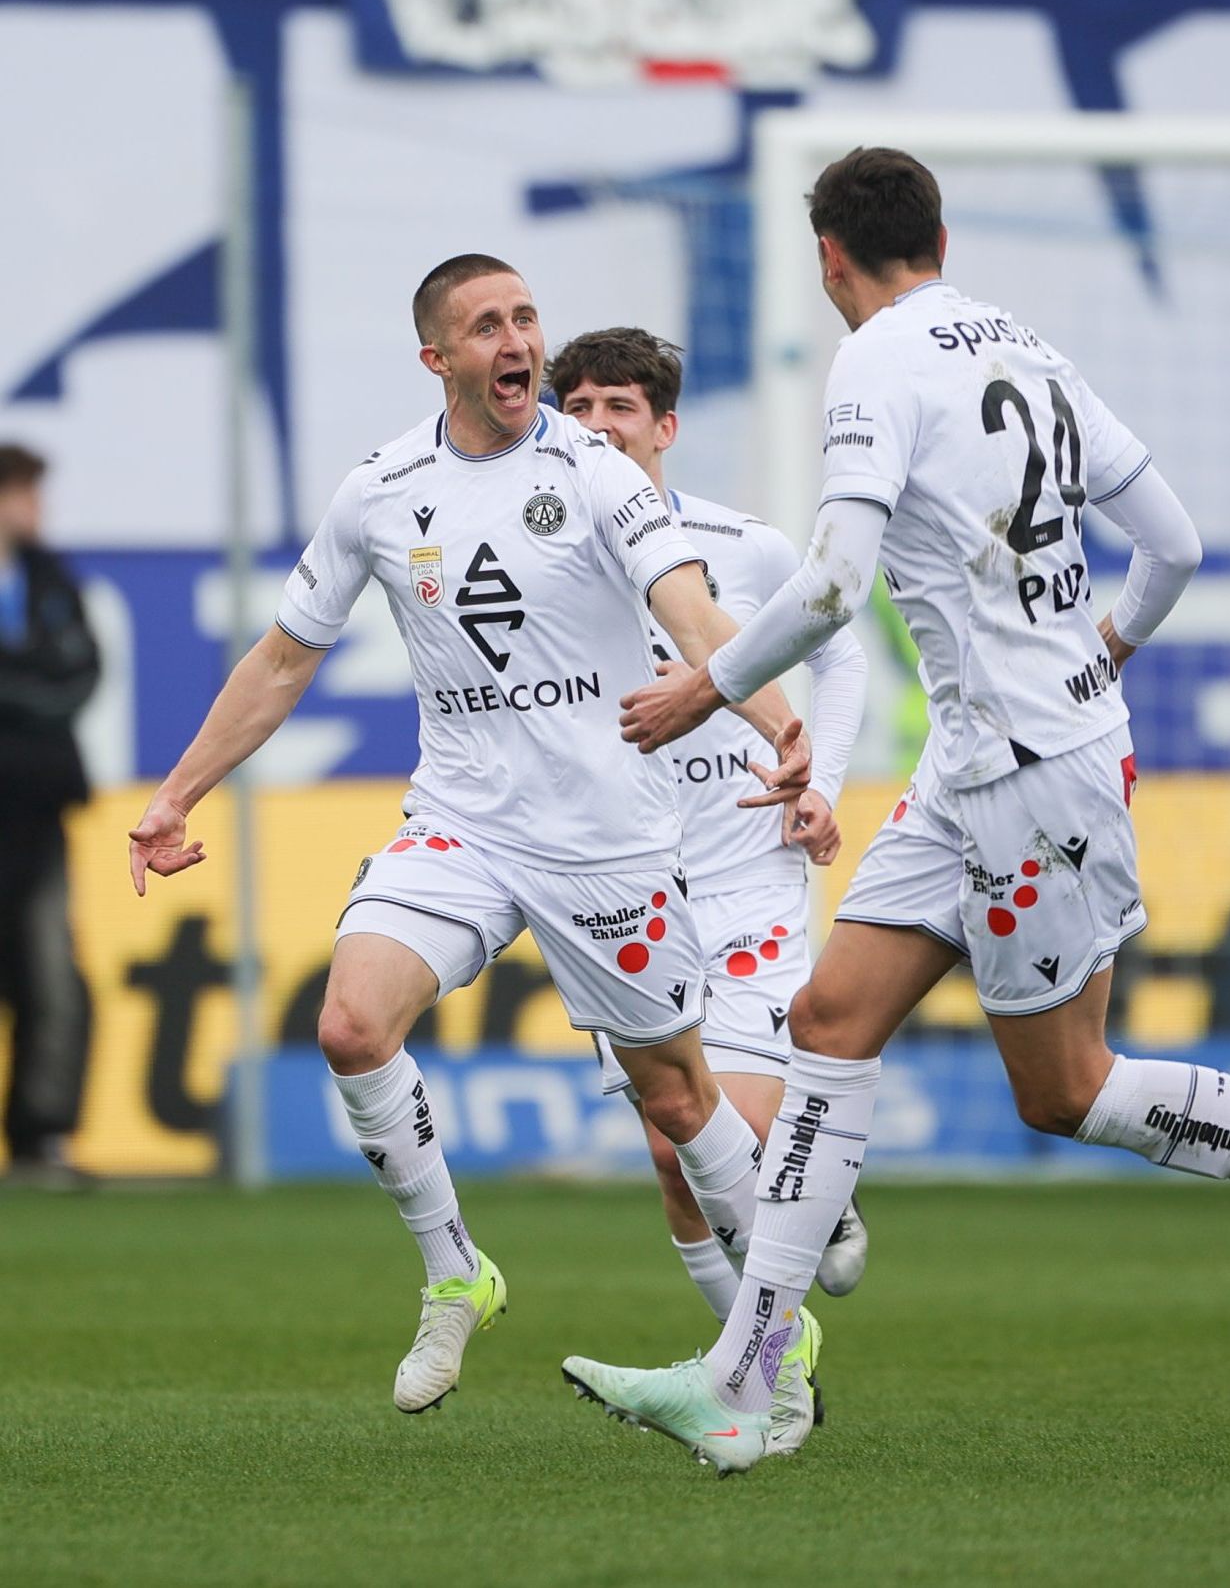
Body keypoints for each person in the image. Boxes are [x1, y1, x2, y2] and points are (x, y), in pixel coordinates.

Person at [562, 148, 1230, 1473]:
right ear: (937, 232)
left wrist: (704, 683)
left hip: (1027, 773)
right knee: (829, 1021)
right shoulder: (1028, 346)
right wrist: (1096, 647)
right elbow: (1171, 542)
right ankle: (746, 1375)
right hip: (984, 755)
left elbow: (830, 588)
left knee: (1064, 1088)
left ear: (828, 258)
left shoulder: (875, 360)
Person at [128, 254, 819, 1420]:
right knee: (350, 1023)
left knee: (678, 1103)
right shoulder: (382, 489)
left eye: (527, 318)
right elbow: (286, 657)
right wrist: (176, 794)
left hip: (603, 838)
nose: (519, 341)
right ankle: (458, 1272)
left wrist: (780, 722)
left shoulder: (595, 471)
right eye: (488, 325)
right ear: (437, 358)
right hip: (460, 821)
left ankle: (774, 1334)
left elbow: (693, 609)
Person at [548, 328, 871, 1350]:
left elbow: (845, 657)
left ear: (664, 427)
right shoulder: (538, 558)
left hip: (748, 873)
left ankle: (813, 1194)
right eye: (581, 408)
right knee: (669, 1148)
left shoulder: (745, 547)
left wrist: (819, 775)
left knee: (742, 1124)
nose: (598, 426)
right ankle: (767, 1365)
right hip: (625, 884)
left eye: (619, 407)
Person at [0, 445, 100, 1185]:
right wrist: (32, 679)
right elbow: (53, 673)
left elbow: (83, 671)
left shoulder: (48, 577)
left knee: (51, 978)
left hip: (37, 811)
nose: (37, 506)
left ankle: (38, 1139)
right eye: (24, 491)